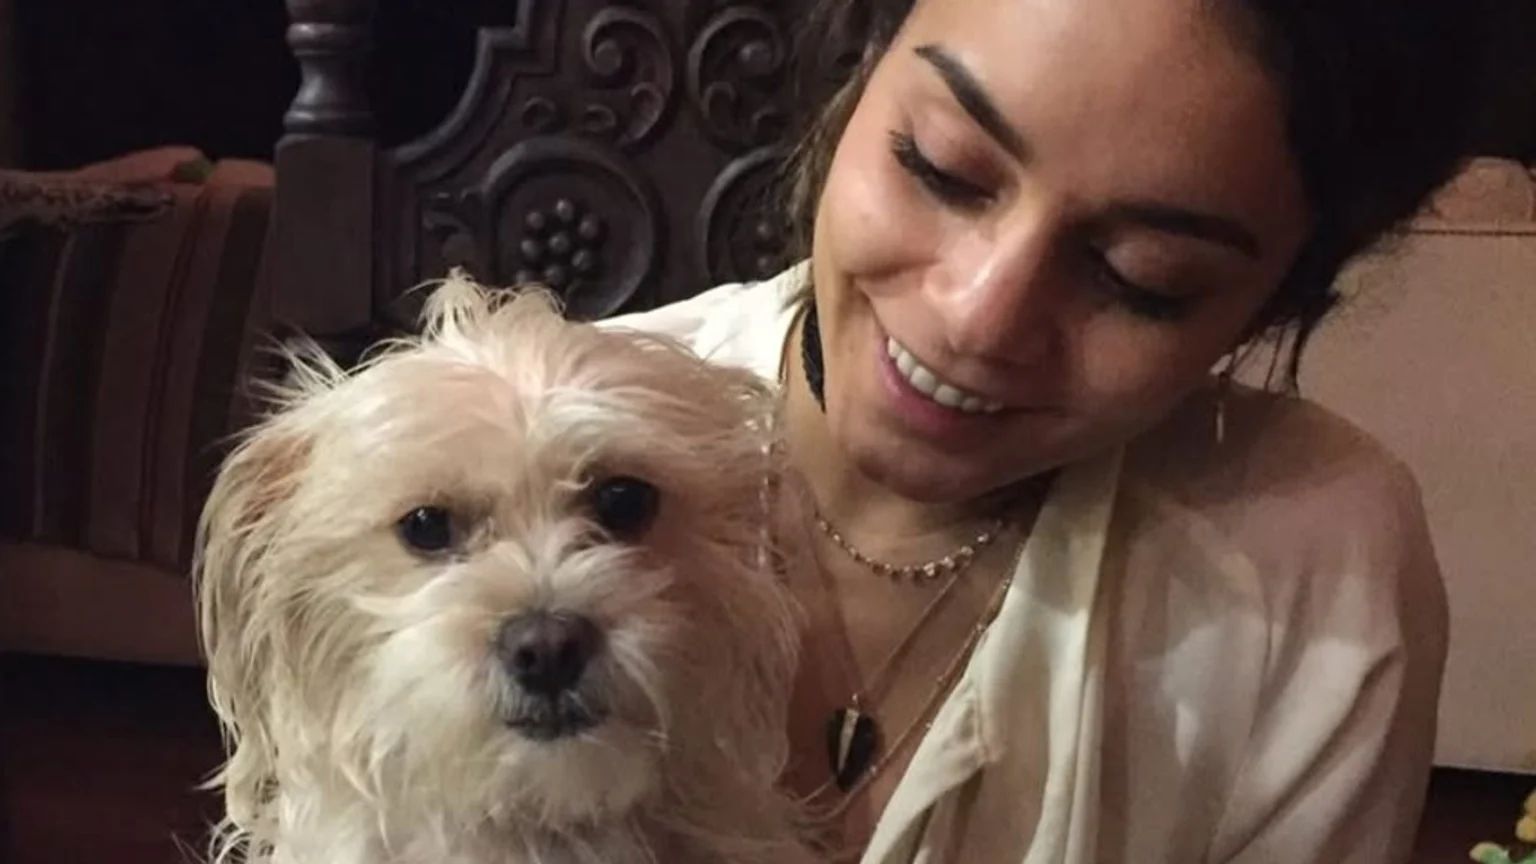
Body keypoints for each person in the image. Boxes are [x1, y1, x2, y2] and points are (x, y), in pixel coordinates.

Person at [604, 0, 1492, 860]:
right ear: (864, 64)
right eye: (942, 168)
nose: (978, 320)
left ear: (1266, 311)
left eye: (1144, 276)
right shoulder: (541, 434)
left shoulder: (1311, 576)